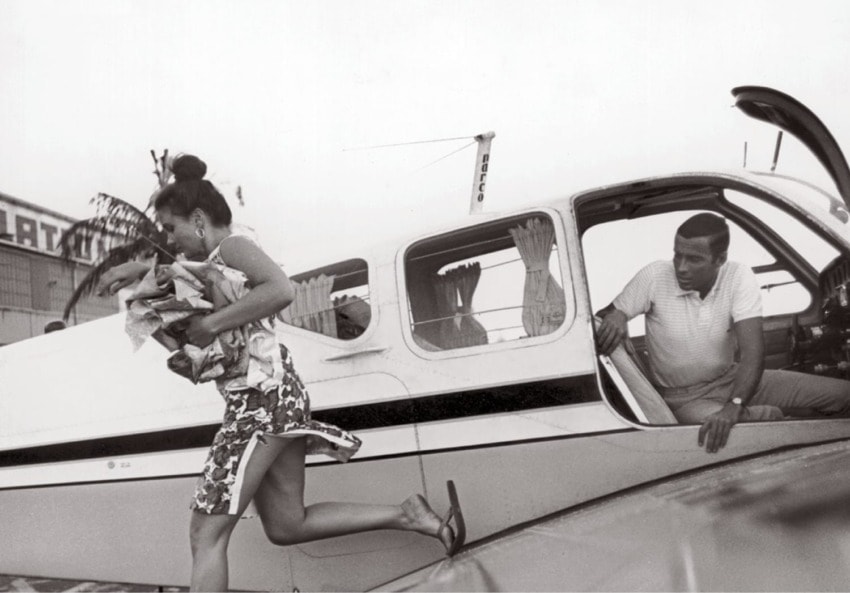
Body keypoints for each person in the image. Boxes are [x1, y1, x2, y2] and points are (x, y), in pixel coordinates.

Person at [97, 154, 464, 591]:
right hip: (273, 396)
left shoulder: (232, 246)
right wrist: (139, 271)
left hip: (260, 401)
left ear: (197, 219)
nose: (171, 239)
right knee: (287, 525)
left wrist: (212, 324)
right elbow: (187, 276)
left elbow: (281, 288)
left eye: (172, 227)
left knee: (205, 532)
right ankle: (408, 514)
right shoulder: (216, 259)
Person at [596, 213, 850, 454]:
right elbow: (603, 317)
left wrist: (736, 404)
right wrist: (616, 314)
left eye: (694, 259)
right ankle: (783, 421)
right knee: (735, 428)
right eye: (677, 255)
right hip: (686, 401)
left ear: (720, 260)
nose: (681, 267)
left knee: (843, 395)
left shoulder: (738, 276)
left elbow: (753, 353)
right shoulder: (654, 276)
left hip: (733, 378)